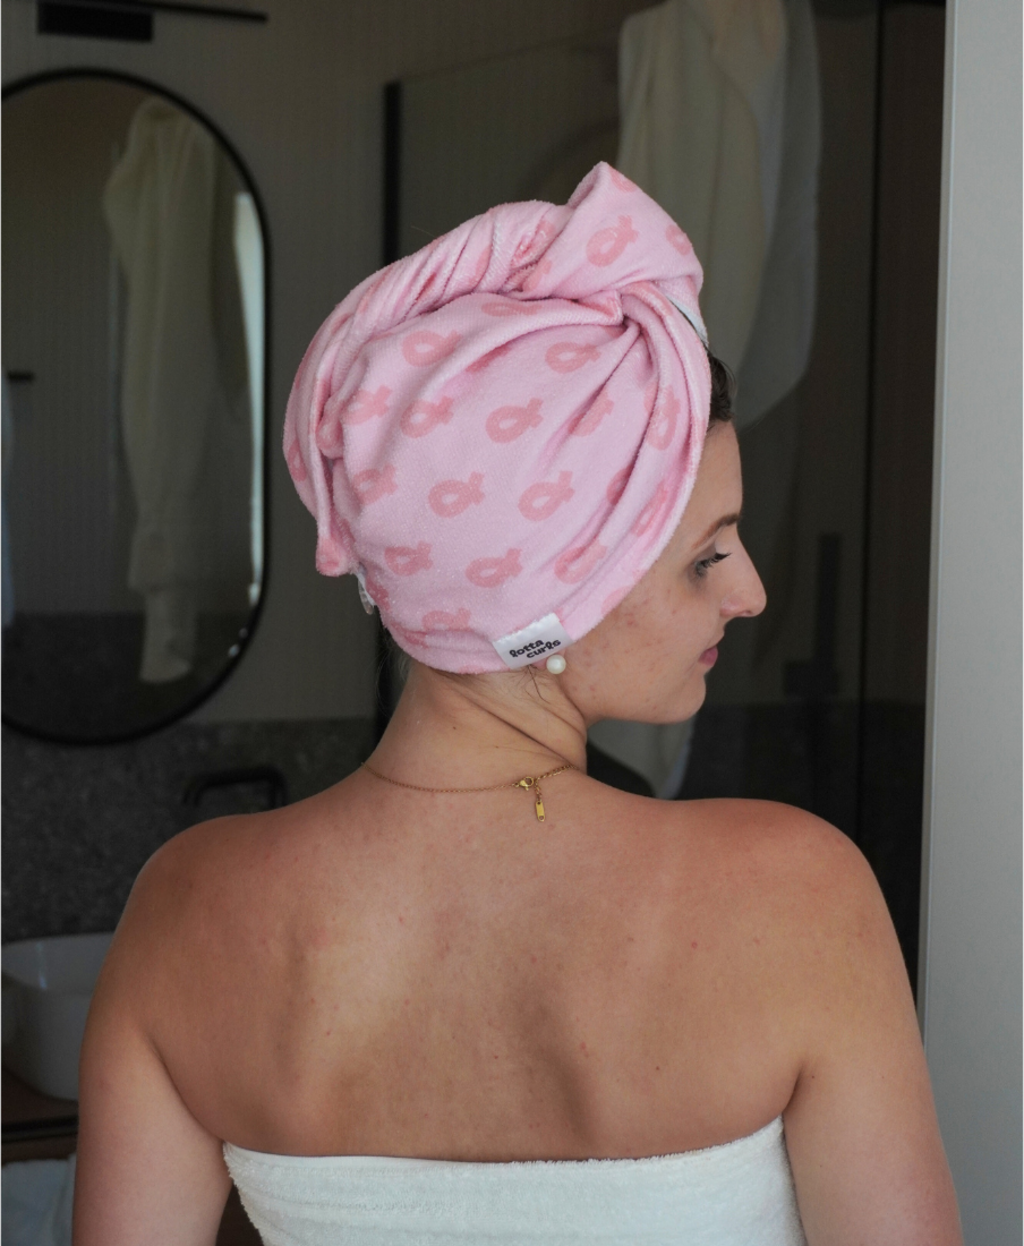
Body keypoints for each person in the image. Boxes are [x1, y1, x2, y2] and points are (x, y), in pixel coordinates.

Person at [74, 164, 961, 1245]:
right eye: (705, 556)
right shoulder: (797, 893)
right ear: (549, 601)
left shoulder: (187, 909)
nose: (750, 593)